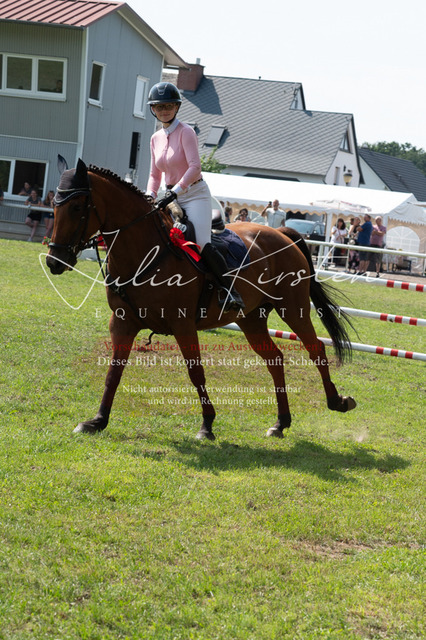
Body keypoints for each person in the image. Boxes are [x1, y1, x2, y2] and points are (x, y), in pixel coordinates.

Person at [146, 82, 244, 312]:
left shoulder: (186, 132)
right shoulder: (155, 138)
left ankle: (229, 291)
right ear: (153, 109)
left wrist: (174, 191)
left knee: (201, 243)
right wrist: (150, 195)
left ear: (177, 107)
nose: (164, 110)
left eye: (168, 106)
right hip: (169, 197)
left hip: (194, 195)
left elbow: (195, 167)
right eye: (159, 107)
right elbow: (154, 174)